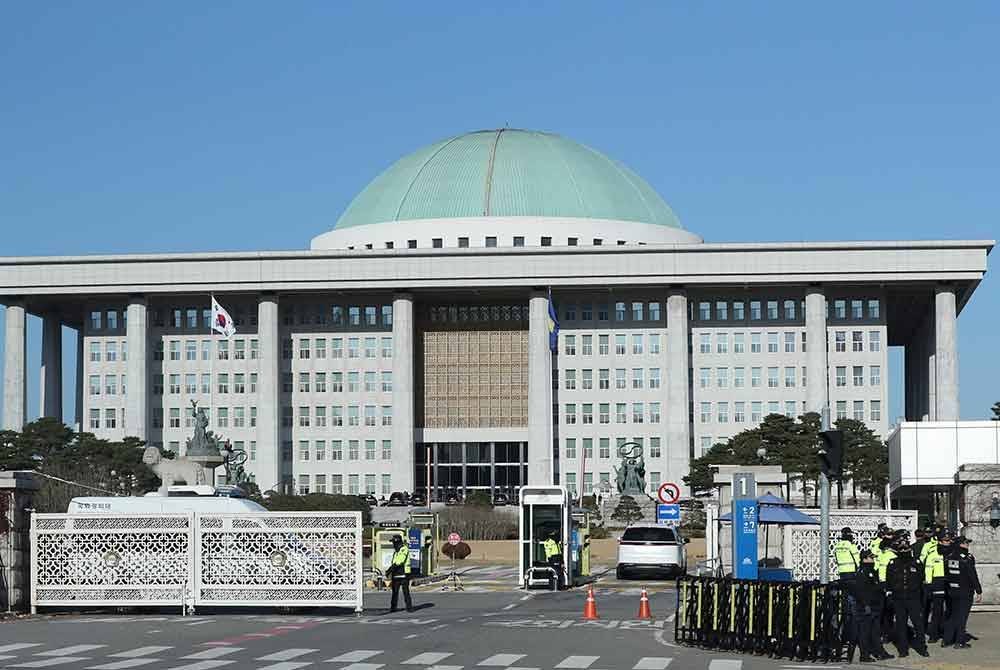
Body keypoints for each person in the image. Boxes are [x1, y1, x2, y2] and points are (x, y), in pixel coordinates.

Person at [886, 536, 930, 658]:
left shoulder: (916, 563)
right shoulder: (892, 563)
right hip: (899, 598)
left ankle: (922, 647)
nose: (904, 551)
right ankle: (903, 649)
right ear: (898, 551)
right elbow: (889, 582)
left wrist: (922, 599)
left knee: (918, 624)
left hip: (913, 598)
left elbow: (922, 580)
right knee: (901, 624)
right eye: (902, 550)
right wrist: (891, 597)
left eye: (906, 549)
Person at [849, 550, 894, 663]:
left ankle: (880, 652)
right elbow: (861, 591)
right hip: (866, 607)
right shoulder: (862, 572)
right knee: (865, 632)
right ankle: (864, 655)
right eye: (870, 558)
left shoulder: (872, 571)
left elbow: (874, 587)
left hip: (875, 606)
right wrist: (865, 605)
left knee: (875, 631)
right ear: (864, 559)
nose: (873, 560)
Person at [941, 536, 982, 648]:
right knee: (962, 617)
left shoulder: (949, 557)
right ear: (960, 544)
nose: (967, 545)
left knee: (953, 615)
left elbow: (946, 574)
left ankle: (946, 640)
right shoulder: (967, 558)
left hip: (952, 590)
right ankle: (959, 641)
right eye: (966, 543)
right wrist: (978, 590)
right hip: (965, 591)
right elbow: (972, 575)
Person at [925, 530, 952, 642]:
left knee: (951, 610)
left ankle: (948, 633)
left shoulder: (952, 553)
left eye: (949, 540)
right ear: (940, 542)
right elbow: (928, 570)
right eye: (946, 540)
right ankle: (934, 634)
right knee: (937, 610)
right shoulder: (933, 554)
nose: (948, 542)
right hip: (937, 582)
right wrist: (929, 585)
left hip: (950, 582)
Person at [388, 534, 413, 612]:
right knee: (394, 592)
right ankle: (393, 607)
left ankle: (409, 607)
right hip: (396, 574)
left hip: (404, 574)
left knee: (405, 591)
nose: (393, 544)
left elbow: (400, 560)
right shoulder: (396, 551)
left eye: (393, 542)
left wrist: (391, 568)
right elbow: (394, 561)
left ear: (397, 542)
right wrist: (390, 570)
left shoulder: (404, 549)